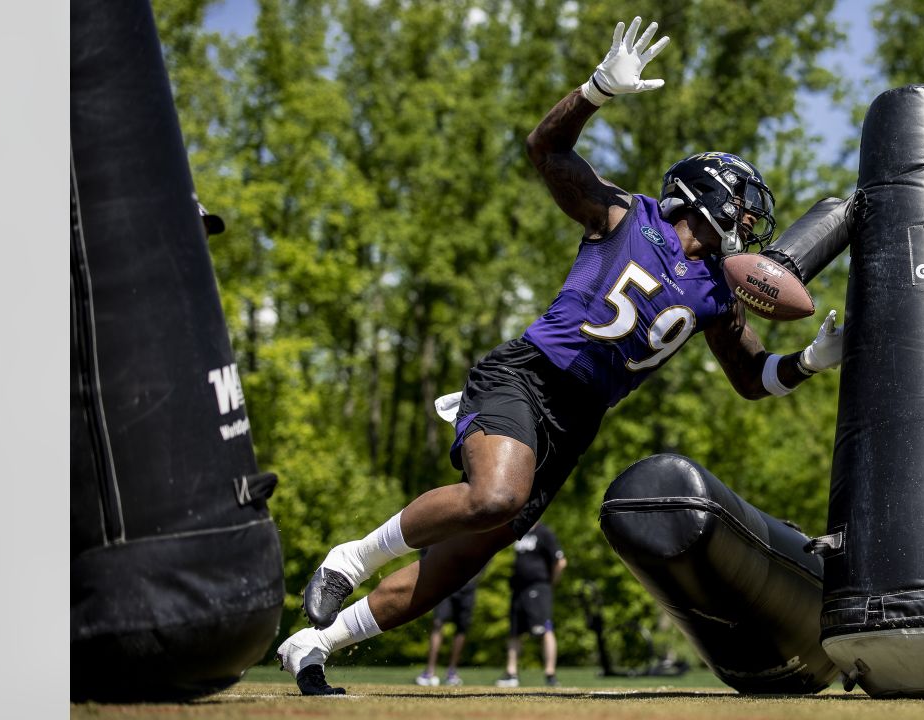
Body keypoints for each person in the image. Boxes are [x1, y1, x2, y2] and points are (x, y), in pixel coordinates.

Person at [276, 16, 844, 695]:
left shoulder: (719, 292)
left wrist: (808, 362)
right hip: (528, 375)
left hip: (576, 420)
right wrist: (596, 91)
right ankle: (349, 559)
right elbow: (546, 148)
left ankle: (315, 643)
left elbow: (752, 378)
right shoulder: (626, 216)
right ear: (711, 193)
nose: (751, 225)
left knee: (461, 561)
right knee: (496, 495)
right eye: (746, 208)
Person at [495, 522, 566, 688]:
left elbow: (560, 562)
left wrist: (549, 584)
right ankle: (511, 673)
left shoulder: (544, 533)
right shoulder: (520, 533)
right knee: (515, 632)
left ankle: (550, 674)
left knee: (544, 630)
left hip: (538, 588)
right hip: (519, 589)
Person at [414, 548, 484, 687]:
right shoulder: (446, 527)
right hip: (445, 583)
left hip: (467, 587)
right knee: (438, 623)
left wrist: (474, 576)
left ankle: (452, 672)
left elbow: (487, 551)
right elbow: (425, 548)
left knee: (462, 628)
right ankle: (429, 671)